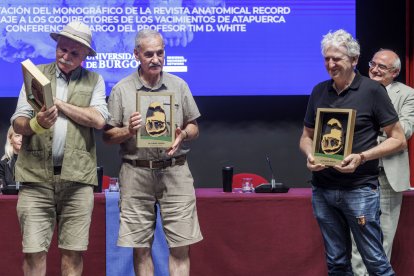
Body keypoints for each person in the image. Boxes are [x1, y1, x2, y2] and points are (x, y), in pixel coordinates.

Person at [299, 29, 406, 275]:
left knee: (376, 262)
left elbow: (398, 140)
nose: (331, 64)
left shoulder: (372, 91)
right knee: (336, 262)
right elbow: (306, 137)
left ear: (354, 60)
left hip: (359, 189)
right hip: (323, 190)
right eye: (327, 58)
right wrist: (310, 155)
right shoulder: (318, 91)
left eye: (337, 58)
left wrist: (362, 157)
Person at [11, 21, 109, 276]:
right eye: (61, 49)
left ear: (86, 55)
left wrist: (60, 104)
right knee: (33, 252)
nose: (65, 56)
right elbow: (18, 123)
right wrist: (36, 123)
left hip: (77, 181)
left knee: (73, 253)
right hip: (35, 180)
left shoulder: (95, 81)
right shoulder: (36, 75)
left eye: (74, 53)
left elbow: (99, 120)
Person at [103, 29, 203, 276]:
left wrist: (184, 134)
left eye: (160, 52)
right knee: (141, 249)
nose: (156, 59)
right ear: (136, 54)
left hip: (175, 172)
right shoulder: (121, 90)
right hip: (136, 173)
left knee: (180, 247)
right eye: (149, 54)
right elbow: (107, 136)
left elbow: (194, 125)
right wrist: (128, 130)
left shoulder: (179, 86)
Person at [351, 49, 414, 275]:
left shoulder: (407, 94)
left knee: (383, 240)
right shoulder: (357, 89)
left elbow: (404, 130)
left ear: (395, 72)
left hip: (387, 177)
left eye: (382, 67)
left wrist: (369, 131)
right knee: (357, 241)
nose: (375, 69)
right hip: (357, 175)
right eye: (373, 64)